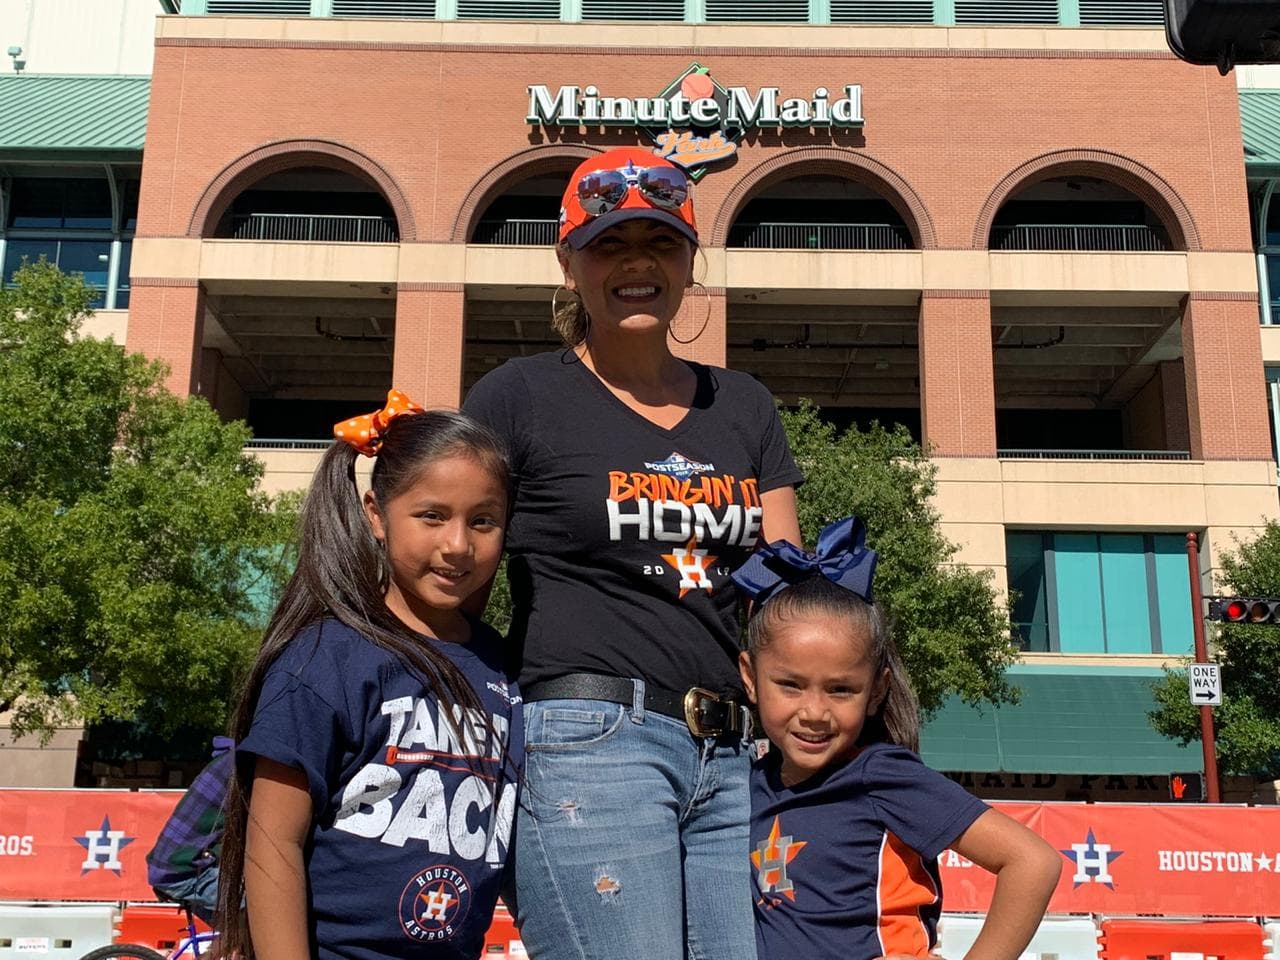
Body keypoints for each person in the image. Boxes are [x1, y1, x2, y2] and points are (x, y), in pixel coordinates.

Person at [462, 145, 804, 960]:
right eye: (608, 243)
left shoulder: (745, 405)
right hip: (588, 742)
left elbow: (788, 601)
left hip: (732, 755)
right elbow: (454, 568)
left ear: (690, 260)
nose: (636, 263)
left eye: (659, 242)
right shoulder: (518, 396)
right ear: (568, 263)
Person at [214, 392, 523, 960]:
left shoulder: (503, 666)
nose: (458, 545)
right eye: (432, 516)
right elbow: (273, 840)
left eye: (483, 521)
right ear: (376, 515)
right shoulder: (325, 657)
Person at [733, 517, 1063, 960]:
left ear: (877, 690)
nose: (813, 713)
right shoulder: (745, 784)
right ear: (750, 677)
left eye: (841, 690)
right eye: (790, 685)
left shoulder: (882, 776)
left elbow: (1033, 862)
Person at [146, 736, 234, 925]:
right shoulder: (241, 767)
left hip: (172, 868)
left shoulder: (229, 759)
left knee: (239, 932)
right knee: (266, 901)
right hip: (183, 872)